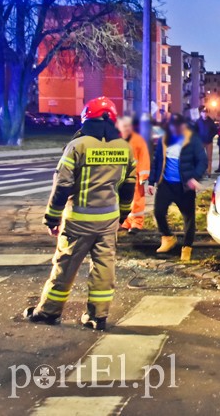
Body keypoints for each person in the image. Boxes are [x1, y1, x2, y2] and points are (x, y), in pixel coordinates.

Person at [23, 97, 136, 331]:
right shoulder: (124, 147)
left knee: (65, 266)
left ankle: (48, 312)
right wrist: (123, 216)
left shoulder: (78, 145)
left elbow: (62, 186)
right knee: (104, 266)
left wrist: (52, 218)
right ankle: (98, 316)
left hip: (79, 221)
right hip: (108, 221)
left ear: (87, 117)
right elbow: (128, 186)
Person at [148, 114, 207, 261]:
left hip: (184, 187)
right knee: (158, 212)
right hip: (166, 184)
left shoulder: (192, 140)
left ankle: (187, 247)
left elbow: (202, 161)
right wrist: (151, 181)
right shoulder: (164, 140)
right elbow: (157, 161)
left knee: (188, 218)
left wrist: (195, 177)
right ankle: (168, 237)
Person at [118, 116, 151, 234]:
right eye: (123, 126)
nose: (126, 129)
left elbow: (144, 157)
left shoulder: (137, 140)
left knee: (137, 200)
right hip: (122, 176)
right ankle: (125, 222)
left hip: (136, 177)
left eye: (127, 126)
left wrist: (144, 175)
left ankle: (137, 223)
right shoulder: (118, 140)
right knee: (124, 200)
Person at [197, 107, 218, 176]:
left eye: (206, 112)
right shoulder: (198, 121)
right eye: (203, 112)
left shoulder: (210, 121)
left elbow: (215, 130)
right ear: (201, 113)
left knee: (209, 158)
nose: (205, 114)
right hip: (201, 142)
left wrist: (211, 136)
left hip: (209, 142)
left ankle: (209, 172)